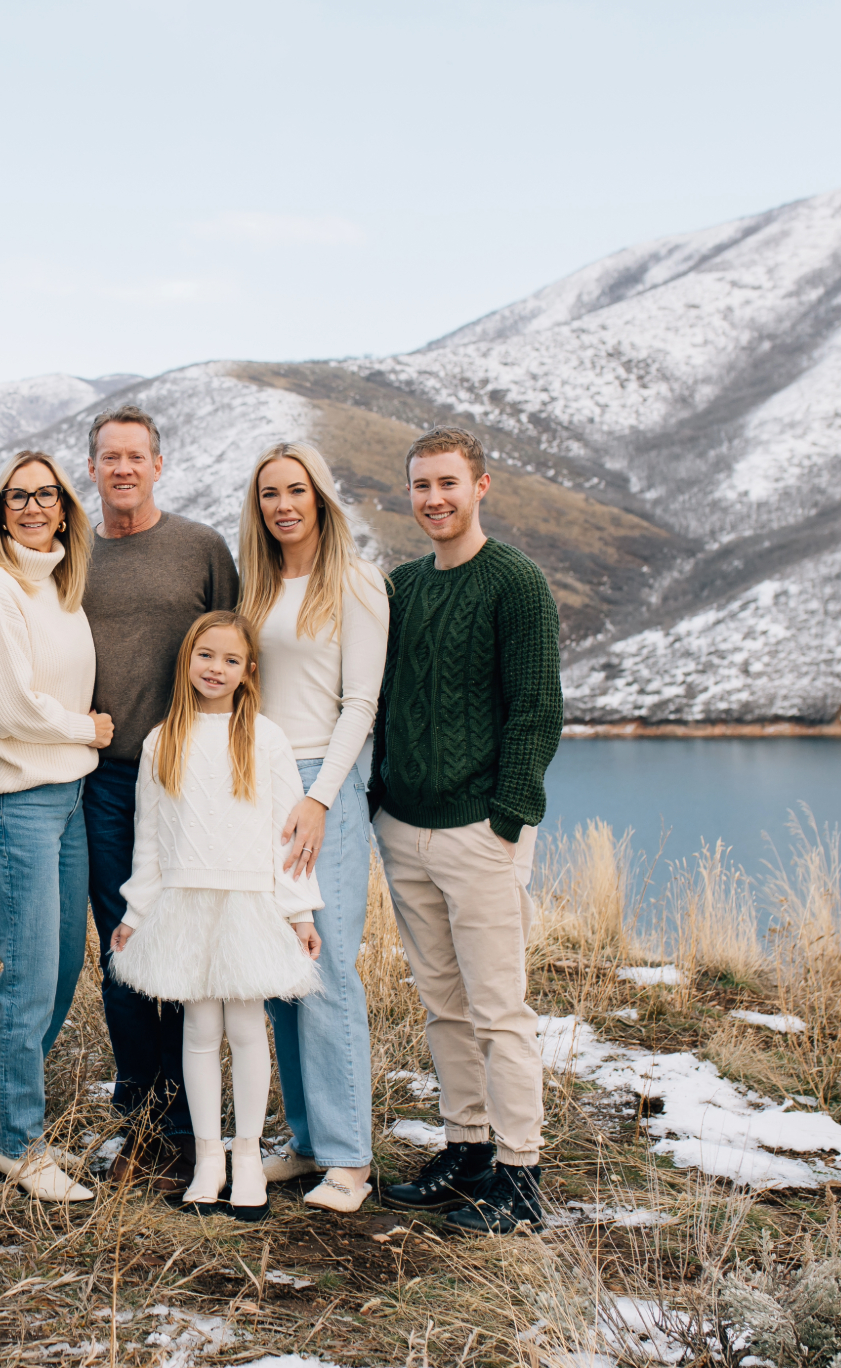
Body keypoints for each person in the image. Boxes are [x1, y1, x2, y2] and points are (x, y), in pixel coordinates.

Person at [0, 405, 240, 1194]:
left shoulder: (191, 549)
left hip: (187, 777)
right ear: (92, 469)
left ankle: (193, 1125)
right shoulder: (54, 568)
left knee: (185, 942)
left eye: (136, 456)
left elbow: (236, 646)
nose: (122, 468)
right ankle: (140, 1121)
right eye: (108, 457)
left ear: (158, 463)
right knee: (119, 955)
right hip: (97, 781)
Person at [369, 426, 563, 1235]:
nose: (434, 499)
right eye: (420, 486)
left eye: (448, 483)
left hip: (478, 833)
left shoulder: (514, 583)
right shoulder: (402, 588)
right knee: (442, 1006)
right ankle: (467, 1148)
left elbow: (537, 710)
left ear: (481, 486)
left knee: (498, 1010)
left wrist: (506, 821)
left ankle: (521, 1177)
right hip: (402, 827)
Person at [110, 612, 322, 1221]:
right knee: (199, 1033)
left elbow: (290, 836)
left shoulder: (264, 737)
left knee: (247, 1028)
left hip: (248, 902)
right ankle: (208, 1158)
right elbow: (148, 838)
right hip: (184, 903)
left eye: (231, 660)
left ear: (248, 671)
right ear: (187, 660)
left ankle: (248, 1158)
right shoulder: (162, 740)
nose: (216, 669)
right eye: (206, 656)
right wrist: (136, 910)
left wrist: (300, 914)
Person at [239, 442, 389, 1214]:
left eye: (296, 490)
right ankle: (304, 1142)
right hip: (260, 782)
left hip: (319, 785)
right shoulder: (257, 586)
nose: (283, 504)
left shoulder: (355, 584)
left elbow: (360, 705)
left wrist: (321, 798)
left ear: (321, 498)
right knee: (279, 976)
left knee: (326, 969)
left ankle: (350, 1160)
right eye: (270, 493)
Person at [0, 449, 111, 1202]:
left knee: (57, 973)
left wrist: (78, 744)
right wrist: (87, 729)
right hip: (16, 801)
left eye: (44, 495)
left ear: (62, 507)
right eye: (17, 496)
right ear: (1, 508)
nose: (31, 506)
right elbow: (13, 704)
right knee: (27, 976)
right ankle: (20, 1146)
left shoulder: (62, 587)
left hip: (68, 802)